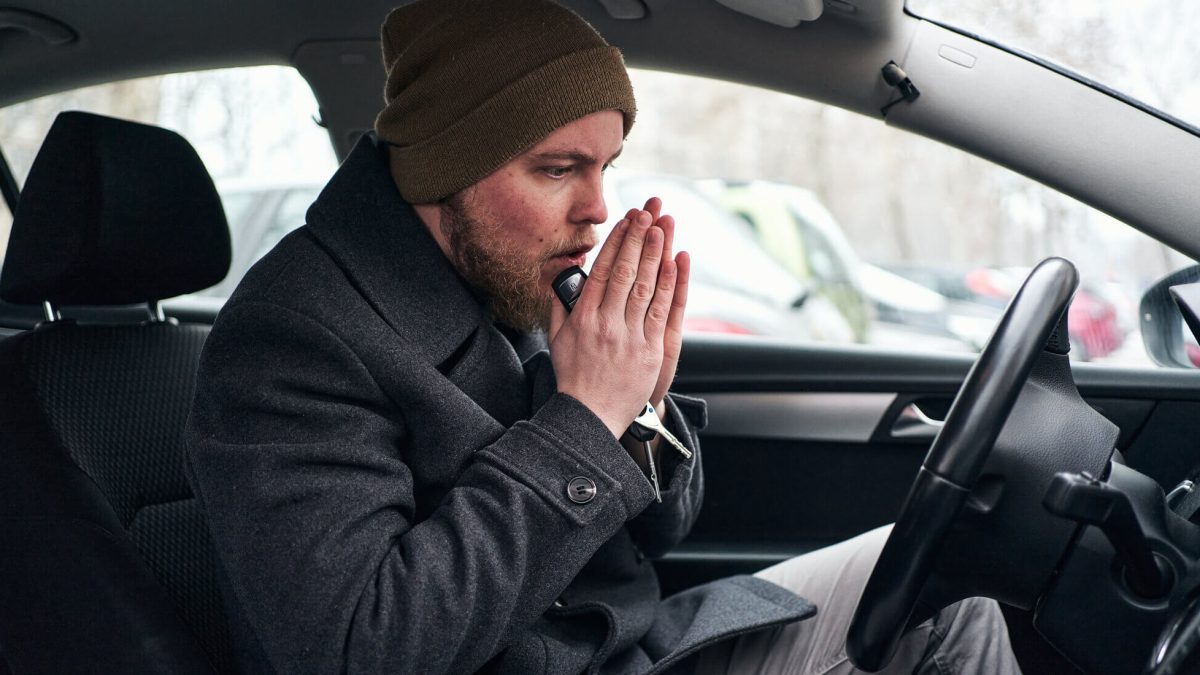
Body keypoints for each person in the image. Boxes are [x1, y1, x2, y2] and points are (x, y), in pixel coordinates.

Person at [185, 0, 1021, 673]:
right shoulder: (295, 337)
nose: (596, 208)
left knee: (948, 582)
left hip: (632, 644)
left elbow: (667, 528)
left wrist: (643, 400)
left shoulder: (512, 274)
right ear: (445, 170)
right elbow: (361, 646)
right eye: (557, 169)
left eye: (605, 166)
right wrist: (586, 417)